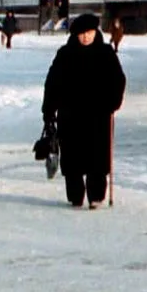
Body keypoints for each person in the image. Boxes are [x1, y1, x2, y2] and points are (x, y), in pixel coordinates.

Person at [41, 12, 125, 209]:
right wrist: (49, 111)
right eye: (82, 34)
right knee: (72, 158)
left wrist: (113, 102)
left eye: (89, 33)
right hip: (70, 115)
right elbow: (52, 83)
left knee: (97, 157)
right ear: (75, 35)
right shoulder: (65, 54)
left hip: (99, 114)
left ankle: (96, 195)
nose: (86, 37)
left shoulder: (106, 53)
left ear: (95, 32)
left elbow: (118, 80)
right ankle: (75, 195)